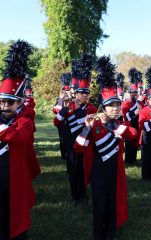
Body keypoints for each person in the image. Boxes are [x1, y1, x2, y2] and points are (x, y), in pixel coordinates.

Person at [73, 56, 137, 240]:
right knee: (100, 206)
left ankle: (110, 233)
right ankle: (98, 235)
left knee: (113, 204)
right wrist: (86, 128)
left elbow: (132, 134)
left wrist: (114, 126)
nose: (116, 109)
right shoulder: (93, 123)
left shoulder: (120, 124)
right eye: (112, 106)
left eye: (118, 105)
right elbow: (78, 148)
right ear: (103, 107)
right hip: (99, 172)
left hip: (115, 172)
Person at [0, 40, 40, 240]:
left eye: (10, 102)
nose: (5, 106)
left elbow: (21, 137)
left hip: (14, 178)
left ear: (19, 102)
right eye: (2, 101)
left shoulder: (24, 120)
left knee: (16, 221)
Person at [54, 53, 97, 206]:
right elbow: (56, 122)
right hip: (71, 143)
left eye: (86, 93)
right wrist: (64, 109)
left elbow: (84, 123)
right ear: (75, 92)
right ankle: (74, 195)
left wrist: (78, 109)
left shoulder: (92, 107)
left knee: (84, 169)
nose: (84, 95)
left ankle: (83, 194)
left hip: (85, 143)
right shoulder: (68, 104)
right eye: (81, 93)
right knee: (72, 170)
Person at [121, 68, 144, 164]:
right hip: (129, 125)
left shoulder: (140, 103)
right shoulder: (125, 103)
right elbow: (126, 117)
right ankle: (128, 160)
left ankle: (134, 159)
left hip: (137, 125)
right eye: (133, 92)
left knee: (135, 144)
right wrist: (135, 112)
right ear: (130, 93)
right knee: (129, 144)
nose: (134, 94)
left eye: (136, 92)